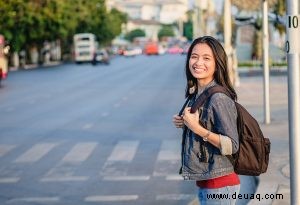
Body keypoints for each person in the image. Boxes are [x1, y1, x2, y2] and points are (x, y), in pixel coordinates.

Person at [172, 36, 240, 205]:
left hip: (220, 186)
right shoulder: (198, 93)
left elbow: (232, 145)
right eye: (194, 56)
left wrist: (197, 128)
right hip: (208, 184)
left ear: (217, 63)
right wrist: (185, 123)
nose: (198, 62)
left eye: (206, 58)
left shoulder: (218, 98)